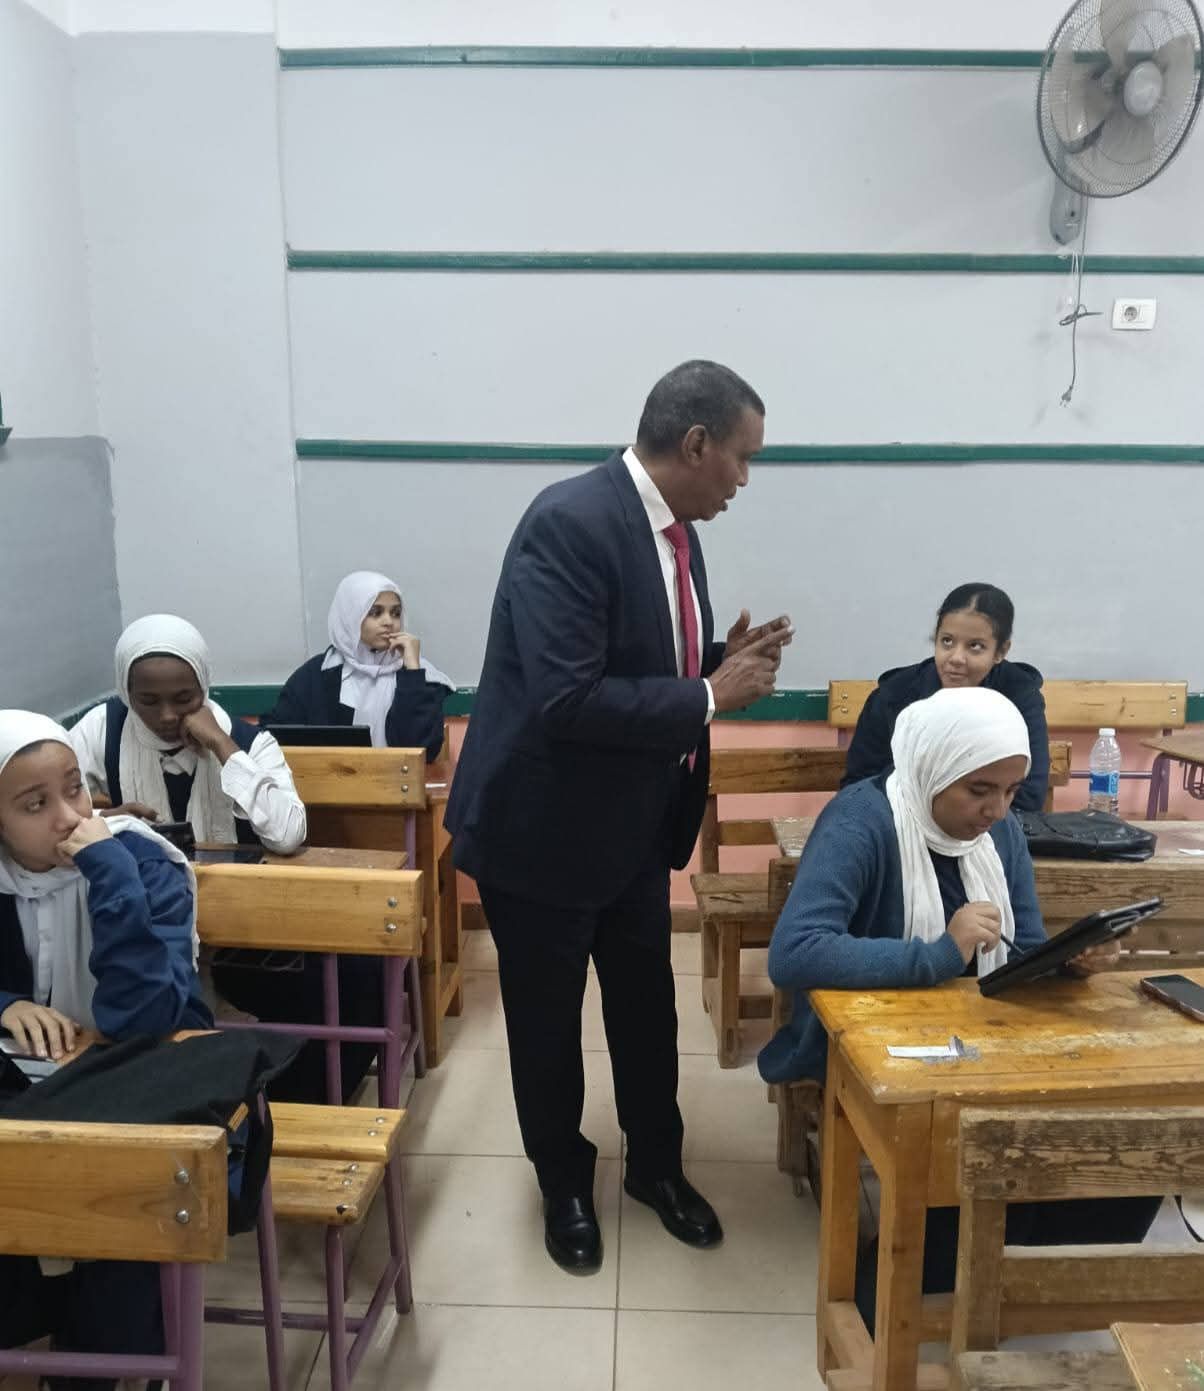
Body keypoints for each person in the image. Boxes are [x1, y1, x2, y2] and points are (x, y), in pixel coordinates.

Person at [446, 359, 793, 1273]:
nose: (744, 479)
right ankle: (563, 1182)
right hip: (541, 834)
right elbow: (566, 698)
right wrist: (711, 694)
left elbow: (639, 660)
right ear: (696, 443)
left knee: (646, 1011)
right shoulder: (571, 522)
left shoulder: (678, 531)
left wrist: (714, 660)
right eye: (743, 457)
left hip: (633, 826)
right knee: (547, 1025)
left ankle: (656, 1168)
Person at [760, 687, 1158, 1325]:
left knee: (1106, 1113)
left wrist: (1069, 961)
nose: (996, 810)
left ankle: (1033, 1256)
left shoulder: (1000, 833)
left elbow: (1021, 947)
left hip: (981, 1024)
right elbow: (796, 953)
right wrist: (941, 954)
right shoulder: (862, 821)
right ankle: (925, 1264)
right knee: (974, 1132)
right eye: (979, 790)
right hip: (871, 1035)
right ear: (934, 769)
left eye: (1011, 791)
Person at [0, 709, 211, 1389]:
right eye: (35, 804)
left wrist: (110, 876)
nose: (69, 817)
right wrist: (5, 1005)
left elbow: (147, 1020)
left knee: (115, 1196)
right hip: (38, 1100)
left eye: (75, 789)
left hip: (149, 1092)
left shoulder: (142, 863)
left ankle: (94, 1364)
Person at [69, 613, 306, 853]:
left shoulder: (249, 742)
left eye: (183, 699)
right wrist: (106, 819)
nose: (167, 716)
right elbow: (52, 812)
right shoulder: (103, 728)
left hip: (236, 876)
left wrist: (222, 744)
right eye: (148, 701)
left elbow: (288, 837)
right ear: (126, 694)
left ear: (203, 688)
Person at [842, 583, 1050, 811]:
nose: (956, 658)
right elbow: (857, 788)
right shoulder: (894, 695)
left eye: (975, 646)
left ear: (1000, 651)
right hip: (901, 825)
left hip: (990, 825)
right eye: (947, 641)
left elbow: (1028, 795)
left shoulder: (1020, 696)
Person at [267, 570, 453, 761]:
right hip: (327, 779)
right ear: (350, 616)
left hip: (399, 779)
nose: (388, 622)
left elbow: (423, 752)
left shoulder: (420, 676)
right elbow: (274, 738)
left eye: (396, 613)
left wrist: (412, 672)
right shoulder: (316, 675)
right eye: (375, 613)